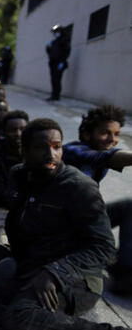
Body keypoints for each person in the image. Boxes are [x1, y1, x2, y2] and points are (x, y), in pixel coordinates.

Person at [0, 119, 121, 330]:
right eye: (41, 148)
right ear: (26, 150)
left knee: (21, 316)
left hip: (75, 280)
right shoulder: (18, 175)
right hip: (31, 265)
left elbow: (104, 248)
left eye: (57, 147)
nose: (51, 155)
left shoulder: (79, 188)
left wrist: (54, 272)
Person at [63, 105, 132, 294]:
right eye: (105, 133)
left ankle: (124, 268)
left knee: (129, 207)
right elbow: (102, 156)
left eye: (117, 134)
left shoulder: (101, 158)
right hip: (62, 224)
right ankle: (122, 273)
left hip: (84, 217)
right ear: (86, 134)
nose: (112, 140)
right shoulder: (72, 150)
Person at [0, 110, 29, 243]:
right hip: (3, 206)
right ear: (3, 132)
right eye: (13, 130)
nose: (18, 134)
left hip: (32, 205)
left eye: (22, 129)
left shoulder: (36, 152)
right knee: (1, 231)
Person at [46, 24, 70, 101]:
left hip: (59, 63)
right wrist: (48, 47)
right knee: (53, 79)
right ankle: (53, 94)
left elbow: (66, 51)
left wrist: (62, 61)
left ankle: (56, 95)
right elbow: (49, 52)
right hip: (53, 63)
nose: (56, 34)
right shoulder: (54, 42)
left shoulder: (64, 40)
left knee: (57, 79)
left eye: (57, 32)